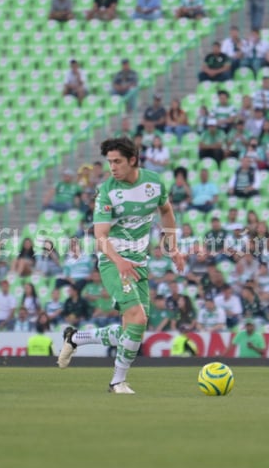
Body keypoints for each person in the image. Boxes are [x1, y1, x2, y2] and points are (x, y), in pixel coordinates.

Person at [57, 137, 186, 394]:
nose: (112, 167)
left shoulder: (153, 182)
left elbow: (166, 211)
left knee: (132, 330)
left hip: (139, 262)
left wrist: (172, 245)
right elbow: (100, 237)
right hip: (113, 261)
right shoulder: (107, 191)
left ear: (133, 160)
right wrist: (119, 262)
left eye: (117, 162)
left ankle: (75, 338)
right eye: (109, 162)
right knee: (138, 319)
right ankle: (117, 381)